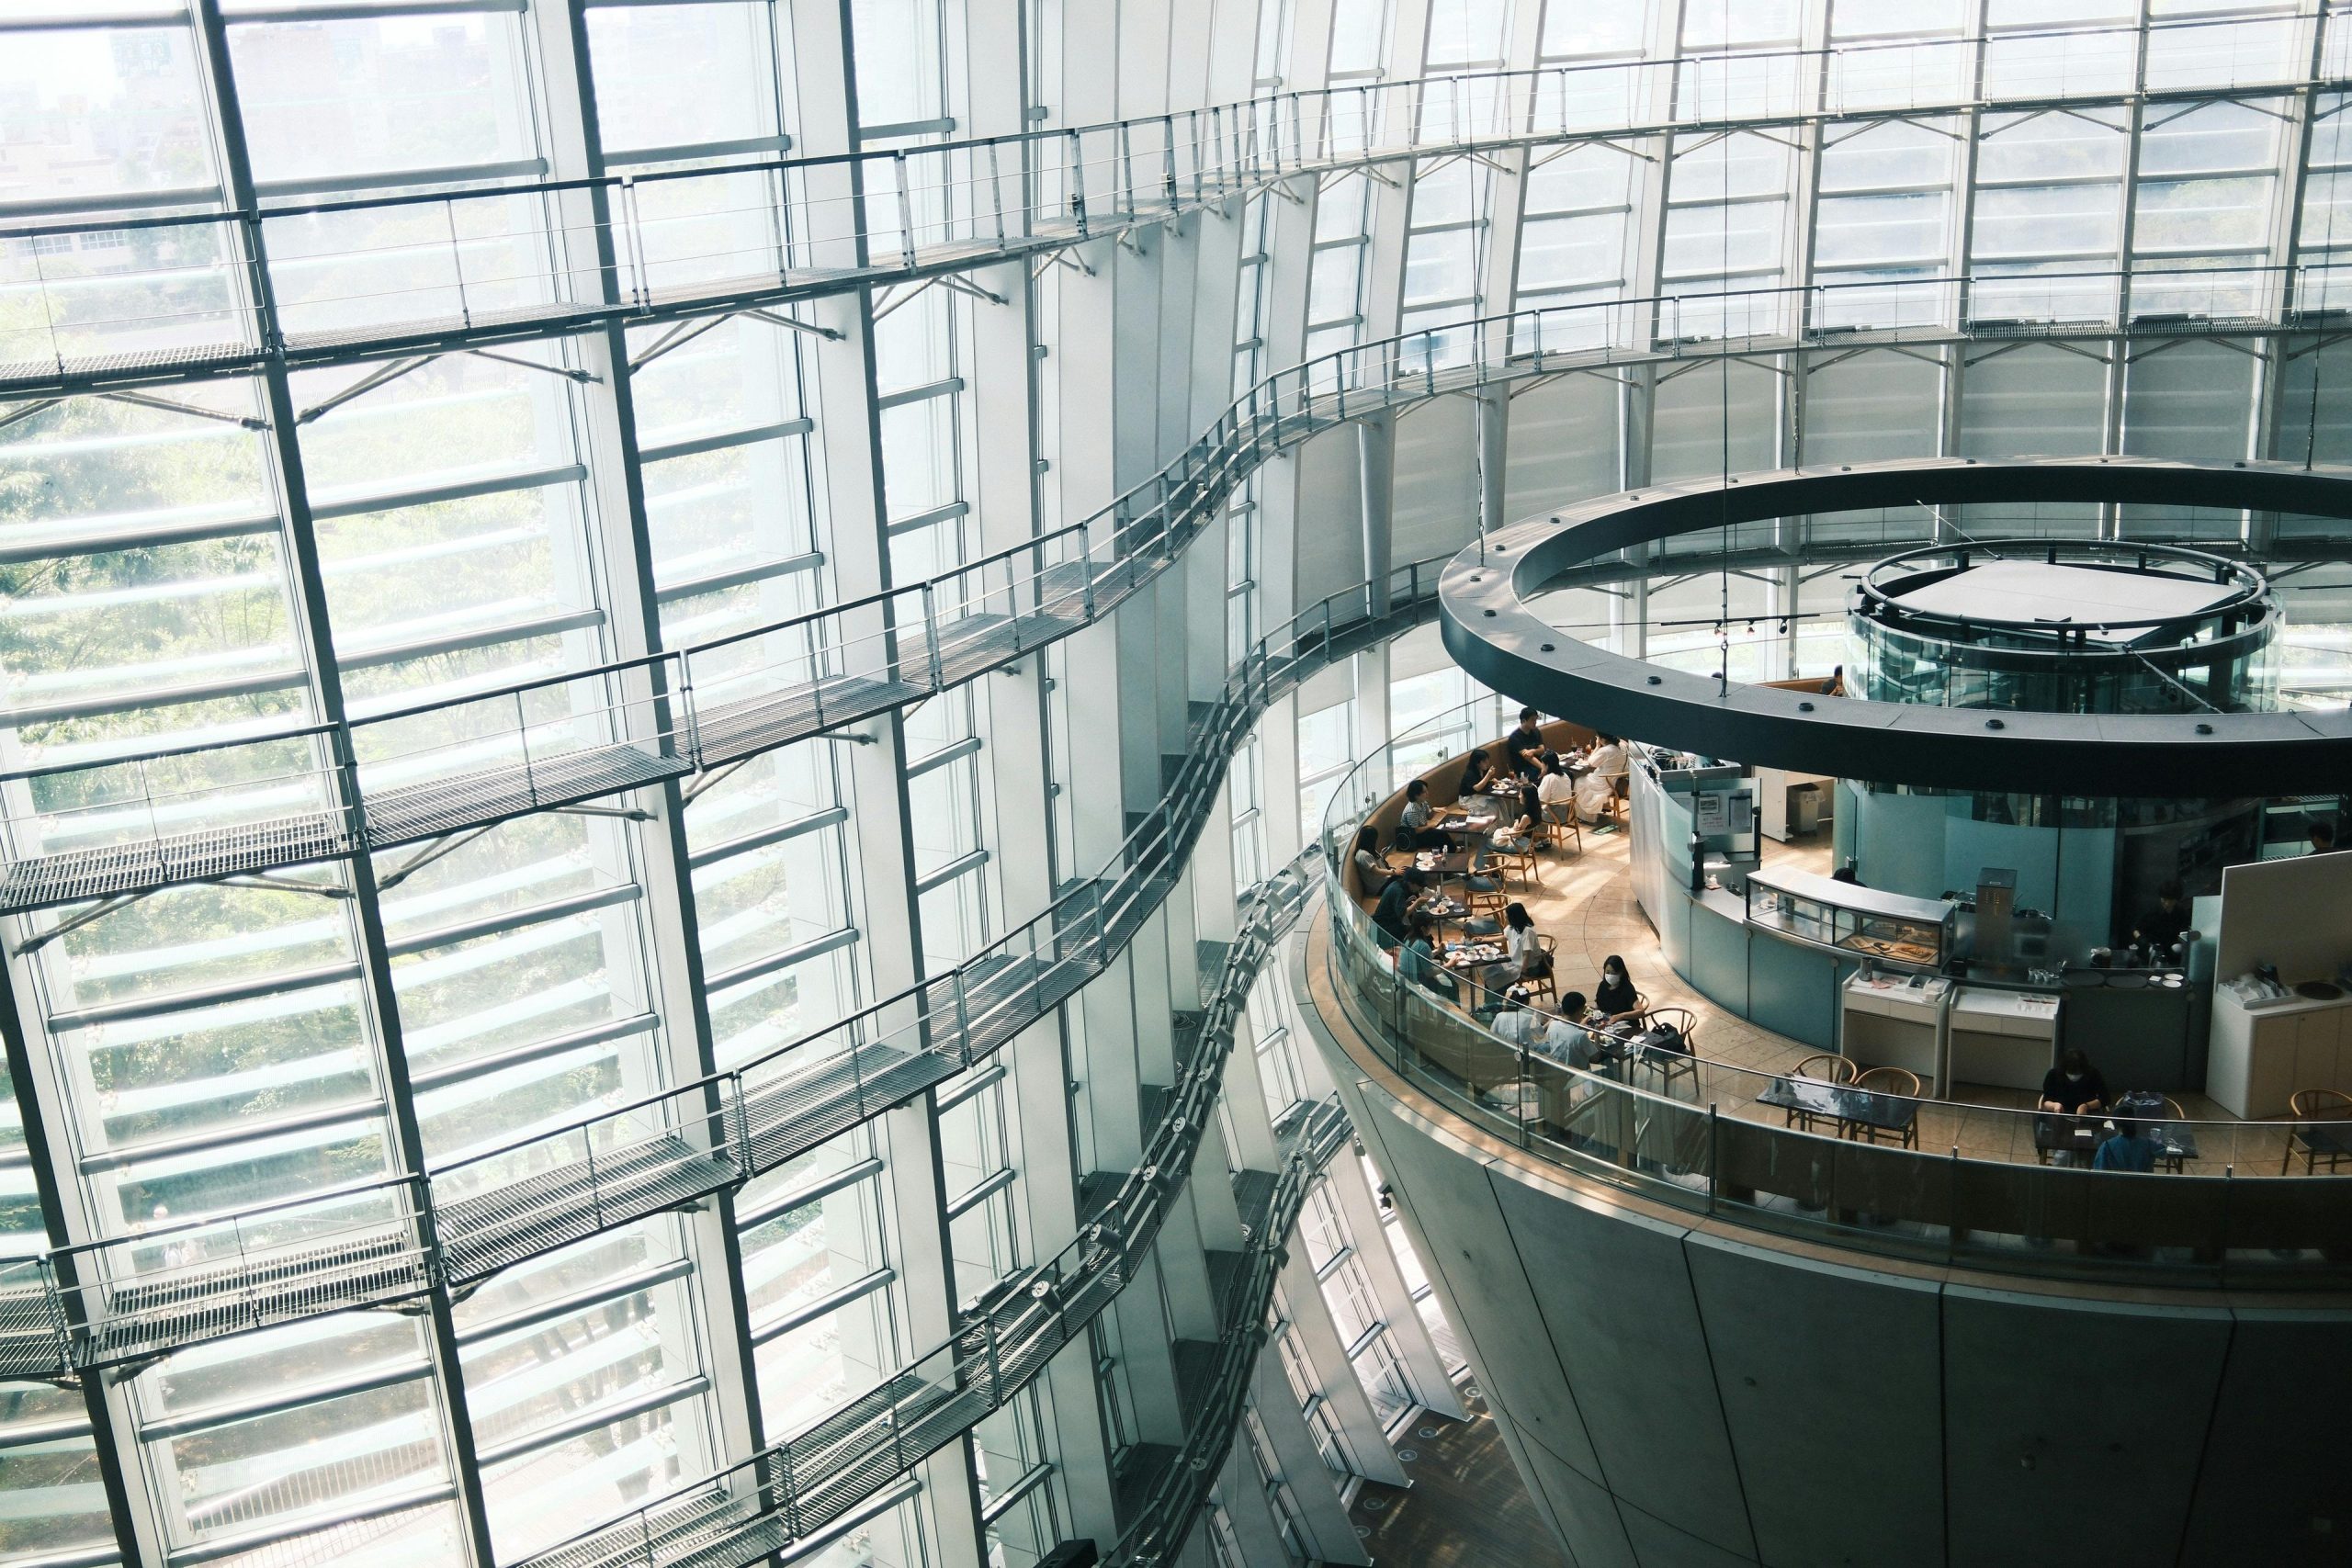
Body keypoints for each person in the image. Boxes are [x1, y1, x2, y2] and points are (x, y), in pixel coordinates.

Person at [1400, 913, 1456, 1000]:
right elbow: (1429, 972)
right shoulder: (1423, 945)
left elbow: (1421, 957)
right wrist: (1448, 965)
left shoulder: (1408, 938)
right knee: (1453, 985)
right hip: (1418, 981)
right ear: (1423, 928)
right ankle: (1453, 1008)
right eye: (1430, 927)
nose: (1430, 929)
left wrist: (1437, 951)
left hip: (1407, 978)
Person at [1573, 734, 1626, 823]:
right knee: (1584, 779)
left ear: (1603, 739)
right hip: (1614, 781)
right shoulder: (1623, 746)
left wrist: (1597, 746)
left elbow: (1591, 763)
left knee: (1579, 781)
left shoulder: (1606, 750)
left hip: (1602, 782)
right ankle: (1601, 807)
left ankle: (1585, 815)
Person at [2040, 1048, 2109, 1116]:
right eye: (2072, 1072)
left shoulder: (2093, 1074)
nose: (2075, 1075)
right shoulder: (2053, 1074)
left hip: (2088, 1114)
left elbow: (2105, 1098)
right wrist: (2055, 1106)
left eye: (2078, 1072)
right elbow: (2046, 1100)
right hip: (2058, 1115)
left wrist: (2086, 1106)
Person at [1370, 868, 1424, 947]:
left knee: (1416, 930)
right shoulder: (1398, 891)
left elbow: (1397, 906)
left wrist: (1408, 903)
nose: (1420, 889)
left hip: (1391, 921)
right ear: (1411, 883)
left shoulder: (1397, 884)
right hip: (1385, 926)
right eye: (1419, 886)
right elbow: (1403, 913)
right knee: (1417, 932)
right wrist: (1417, 902)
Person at [2132, 880, 2189, 952]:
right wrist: (2143, 942)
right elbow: (2136, 929)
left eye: (2171, 901)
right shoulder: (2151, 911)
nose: (2167, 904)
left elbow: (2184, 932)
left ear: (2177, 900)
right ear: (2161, 897)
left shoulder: (2182, 913)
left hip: (2172, 951)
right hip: (2150, 949)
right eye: (2164, 900)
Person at [2094, 1116, 2161, 1173]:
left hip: (2116, 1183)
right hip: (2143, 1182)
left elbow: (2099, 1172)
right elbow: (2162, 1153)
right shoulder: (2147, 1143)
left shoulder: (2107, 1145)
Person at [1503, 901, 1550, 981]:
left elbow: (1526, 955)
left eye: (1507, 917)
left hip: (1529, 968)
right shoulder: (1514, 926)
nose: (1505, 919)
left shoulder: (1527, 932)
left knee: (1500, 978)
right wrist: (1484, 939)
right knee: (1494, 971)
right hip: (1516, 963)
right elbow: (1504, 938)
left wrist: (1522, 973)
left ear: (1514, 917)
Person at [1505, 706, 1547, 781]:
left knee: (1563, 773)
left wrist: (1533, 751)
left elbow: (1542, 750)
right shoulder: (1514, 737)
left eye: (1536, 719)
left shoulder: (1535, 731)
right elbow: (1528, 757)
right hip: (1524, 769)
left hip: (1538, 764)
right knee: (1545, 778)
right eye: (1532, 720)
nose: (1535, 722)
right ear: (1524, 720)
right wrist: (1543, 767)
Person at [1592, 954, 1638, 1021]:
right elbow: (1598, 1003)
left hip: (1624, 1023)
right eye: (1607, 972)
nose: (1610, 976)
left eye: (1614, 973)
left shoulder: (1627, 988)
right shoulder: (1603, 985)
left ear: (1621, 972)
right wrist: (1595, 1013)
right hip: (1606, 1021)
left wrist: (1621, 1015)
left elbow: (1640, 1012)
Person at [1351, 826, 1390, 897]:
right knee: (1405, 880)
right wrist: (1394, 872)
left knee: (1406, 875)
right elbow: (1377, 871)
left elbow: (1374, 862)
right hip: (1379, 887)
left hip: (1383, 881)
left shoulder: (1368, 849)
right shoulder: (1363, 855)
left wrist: (1381, 855)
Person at [1396, 778, 1432, 851]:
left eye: (1427, 790)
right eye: (1424, 792)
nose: (1427, 793)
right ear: (1416, 795)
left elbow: (1429, 817)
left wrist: (1433, 810)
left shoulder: (1423, 803)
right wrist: (1429, 827)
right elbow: (1415, 831)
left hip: (1423, 832)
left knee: (1441, 834)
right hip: (1413, 839)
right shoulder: (1412, 810)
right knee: (1440, 836)